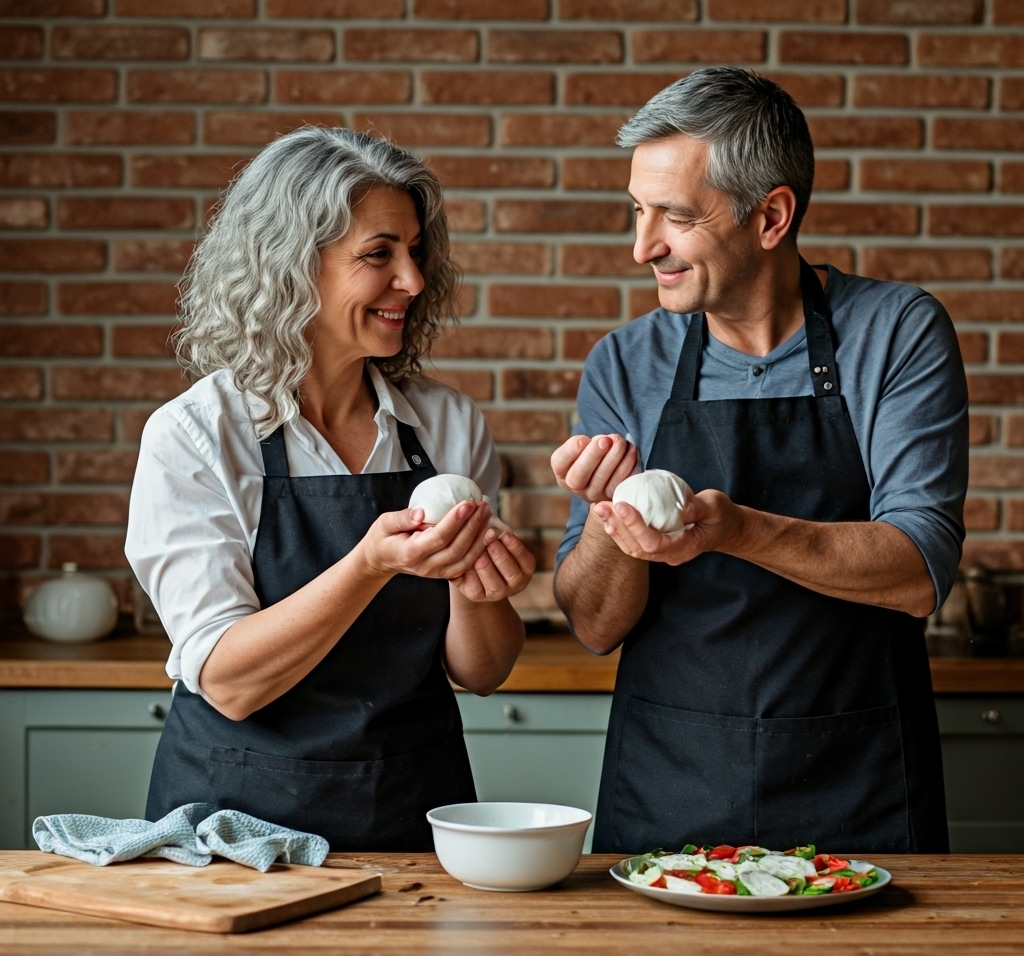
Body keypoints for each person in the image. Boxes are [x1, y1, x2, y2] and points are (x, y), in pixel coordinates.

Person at [551, 68, 967, 855]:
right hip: (670, 785)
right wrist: (609, 522)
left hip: (858, 783)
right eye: (638, 213)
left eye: (674, 216)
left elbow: (918, 571)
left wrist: (733, 528)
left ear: (771, 216)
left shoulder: (896, 332)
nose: (644, 248)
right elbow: (596, 625)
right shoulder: (625, 362)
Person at [127, 128, 535, 851]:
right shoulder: (197, 437)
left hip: (412, 812)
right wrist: (369, 564)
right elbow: (228, 681)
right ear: (290, 268)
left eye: (415, 252)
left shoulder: (444, 424)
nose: (411, 280)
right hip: (234, 829)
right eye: (379, 255)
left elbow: (483, 669)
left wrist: (480, 583)